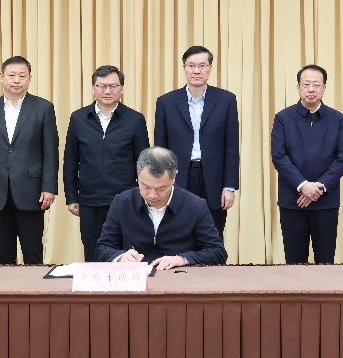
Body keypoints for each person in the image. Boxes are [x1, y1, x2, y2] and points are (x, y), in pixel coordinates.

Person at [0, 56, 58, 264]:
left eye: (22, 76)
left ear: (29, 79)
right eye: (12, 75)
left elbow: (50, 152)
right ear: (2, 77)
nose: (17, 80)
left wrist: (49, 187)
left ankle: (33, 286)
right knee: (2, 254)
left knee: (33, 253)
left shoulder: (43, 108)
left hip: (32, 191)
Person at [63, 65, 150, 262]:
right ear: (93, 88)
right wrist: (72, 197)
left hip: (124, 200)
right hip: (89, 200)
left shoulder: (135, 120)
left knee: (125, 255)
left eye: (113, 86)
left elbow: (143, 163)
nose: (107, 91)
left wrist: (141, 197)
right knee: (93, 253)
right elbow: (70, 161)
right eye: (102, 86)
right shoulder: (78, 118)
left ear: (122, 88)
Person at [153, 45, 240, 240]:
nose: (196, 71)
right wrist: (161, 184)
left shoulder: (226, 100)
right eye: (191, 65)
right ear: (184, 68)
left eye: (202, 65)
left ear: (210, 68)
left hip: (214, 180)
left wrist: (229, 187)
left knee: (212, 236)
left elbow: (231, 147)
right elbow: (160, 149)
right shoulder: (166, 102)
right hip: (178, 178)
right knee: (178, 235)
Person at [271, 64, 343, 263]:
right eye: (306, 84)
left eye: (316, 85)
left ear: (324, 88)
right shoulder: (283, 118)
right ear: (298, 87)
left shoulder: (337, 119)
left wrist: (319, 188)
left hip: (325, 201)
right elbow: (279, 156)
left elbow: (342, 157)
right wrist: (303, 186)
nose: (311, 89)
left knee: (325, 261)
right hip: (293, 200)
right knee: (294, 262)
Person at [96, 147, 227, 268]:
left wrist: (183, 259)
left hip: (179, 278)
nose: (152, 195)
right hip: (136, 278)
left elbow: (217, 252)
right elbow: (102, 248)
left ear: (174, 177)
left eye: (161, 188)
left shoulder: (195, 206)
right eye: (146, 187)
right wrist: (120, 257)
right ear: (138, 176)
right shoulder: (122, 203)